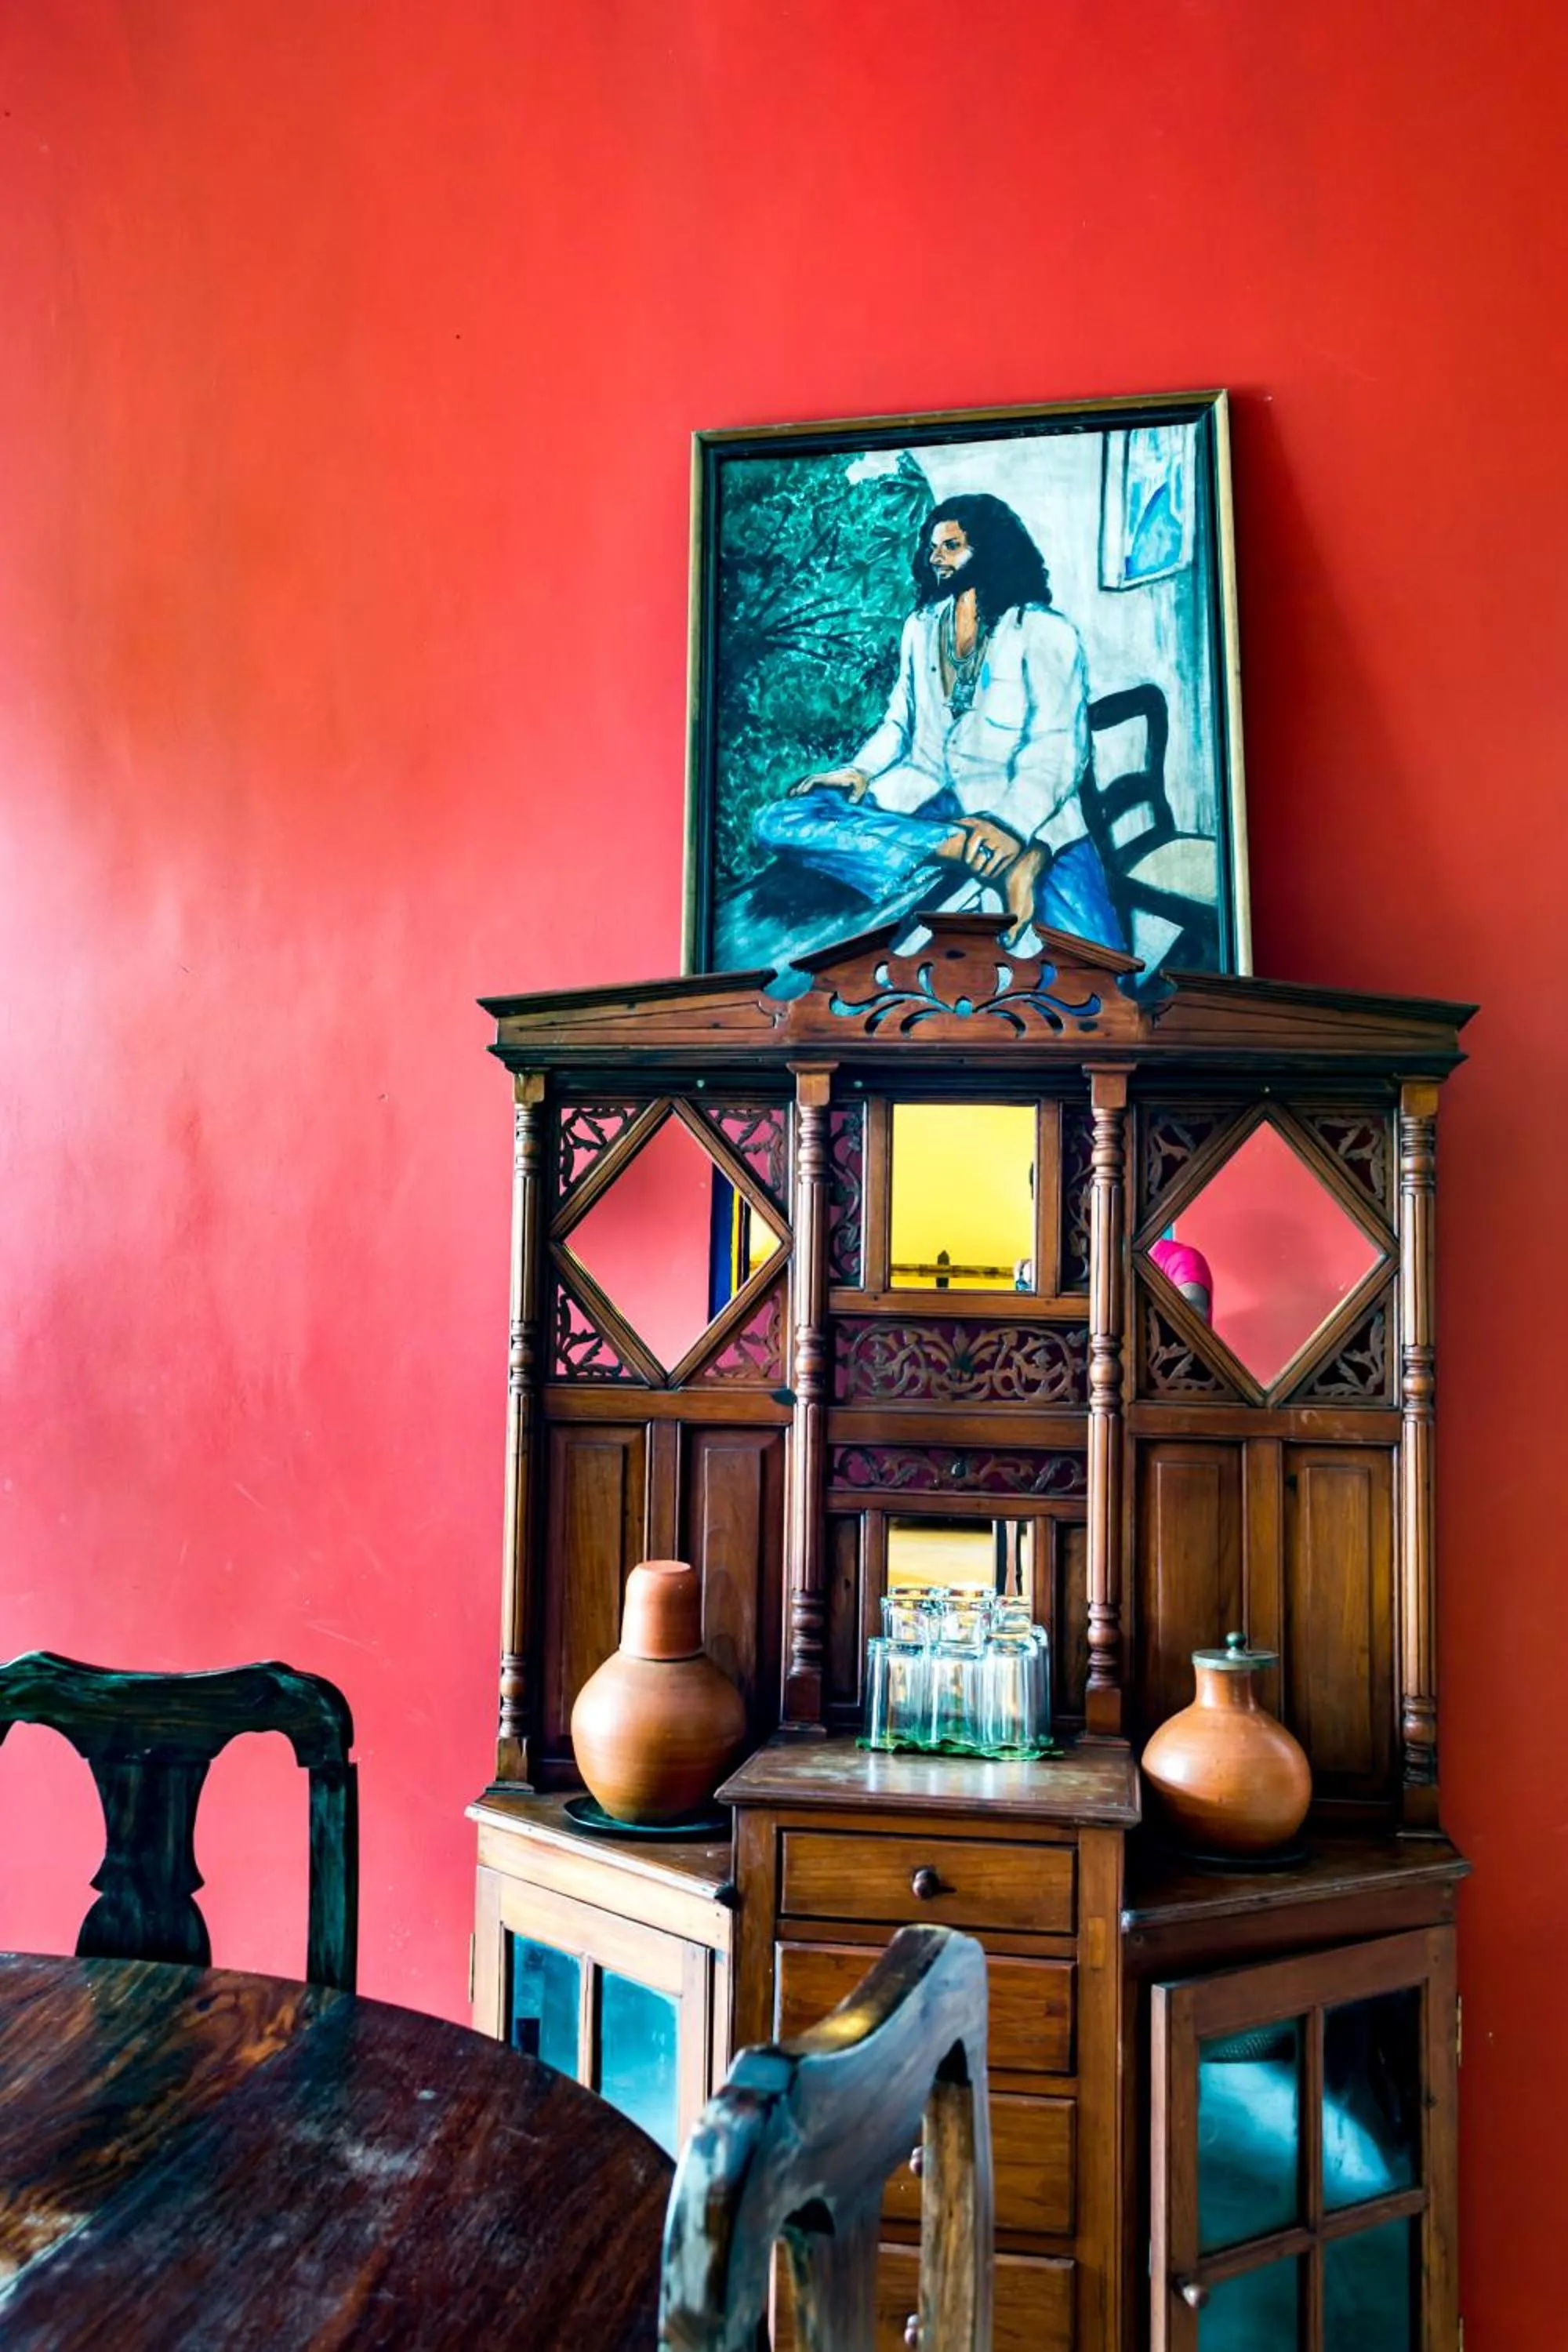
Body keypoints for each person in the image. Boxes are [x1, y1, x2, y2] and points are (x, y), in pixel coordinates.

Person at [779, 492, 1125, 953]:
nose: (935, 557)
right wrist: (859, 770)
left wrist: (1012, 826)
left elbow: (1058, 749)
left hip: (1028, 814)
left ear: (991, 548)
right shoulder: (920, 628)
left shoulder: (1045, 632)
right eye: (933, 547)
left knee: (1098, 969)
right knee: (782, 819)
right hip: (925, 795)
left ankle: (1022, 856)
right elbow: (898, 723)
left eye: (951, 546)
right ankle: (958, 847)